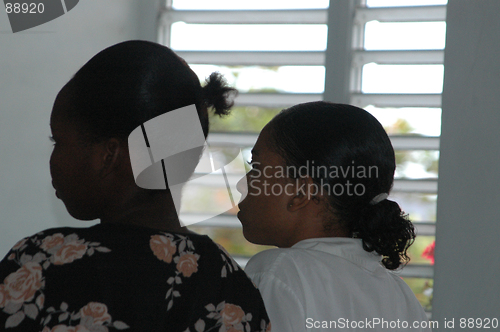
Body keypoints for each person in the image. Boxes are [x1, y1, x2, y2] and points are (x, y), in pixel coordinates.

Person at [0, 40, 270, 332]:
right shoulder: (228, 283)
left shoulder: (40, 264)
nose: (53, 160)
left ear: (108, 155)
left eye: (58, 141)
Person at [237, 101, 430, 332]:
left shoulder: (278, 272)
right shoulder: (401, 296)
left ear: (301, 192)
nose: (242, 184)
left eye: (256, 167)